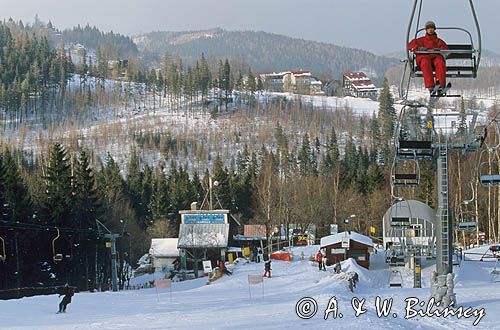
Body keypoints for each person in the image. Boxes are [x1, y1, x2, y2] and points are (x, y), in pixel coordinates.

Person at [408, 21, 449, 94]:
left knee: (440, 62)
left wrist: (440, 51)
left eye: (432, 28)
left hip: (435, 58)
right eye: (429, 28)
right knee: (425, 62)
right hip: (424, 58)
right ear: (426, 30)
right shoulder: (420, 40)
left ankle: (440, 85)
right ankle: (430, 86)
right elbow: (410, 45)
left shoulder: (439, 41)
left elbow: (446, 50)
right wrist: (418, 48)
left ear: (434, 29)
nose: (430, 30)